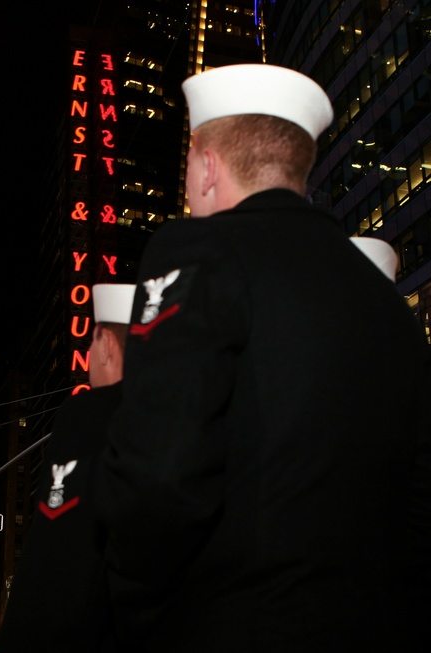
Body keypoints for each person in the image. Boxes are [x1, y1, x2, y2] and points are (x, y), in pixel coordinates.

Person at [94, 63, 431, 652]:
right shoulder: (388, 305)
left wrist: (136, 604)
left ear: (205, 167)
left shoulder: (197, 249)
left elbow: (161, 469)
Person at [0, 284, 134, 653]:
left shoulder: (93, 413)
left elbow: (59, 568)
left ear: (105, 345)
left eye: (90, 345)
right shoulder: (194, 422)